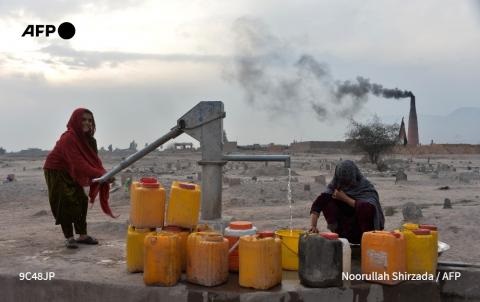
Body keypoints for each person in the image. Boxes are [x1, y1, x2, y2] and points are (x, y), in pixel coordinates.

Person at [44, 108, 117, 249]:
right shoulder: (68, 138)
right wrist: (102, 175)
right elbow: (79, 164)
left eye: (90, 120)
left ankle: (82, 235)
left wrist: (104, 174)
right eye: (83, 119)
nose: (87, 123)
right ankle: (69, 237)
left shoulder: (90, 141)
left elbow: (93, 161)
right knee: (64, 201)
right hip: (56, 170)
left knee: (81, 200)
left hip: (71, 170)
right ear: (75, 120)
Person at [309, 160, 384, 244]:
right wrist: (313, 226)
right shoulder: (336, 184)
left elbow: (370, 209)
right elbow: (318, 203)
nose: (345, 184)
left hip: (362, 232)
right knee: (328, 200)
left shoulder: (364, 186)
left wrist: (345, 198)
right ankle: (340, 237)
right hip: (344, 231)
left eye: (348, 181)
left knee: (365, 209)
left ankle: (365, 242)